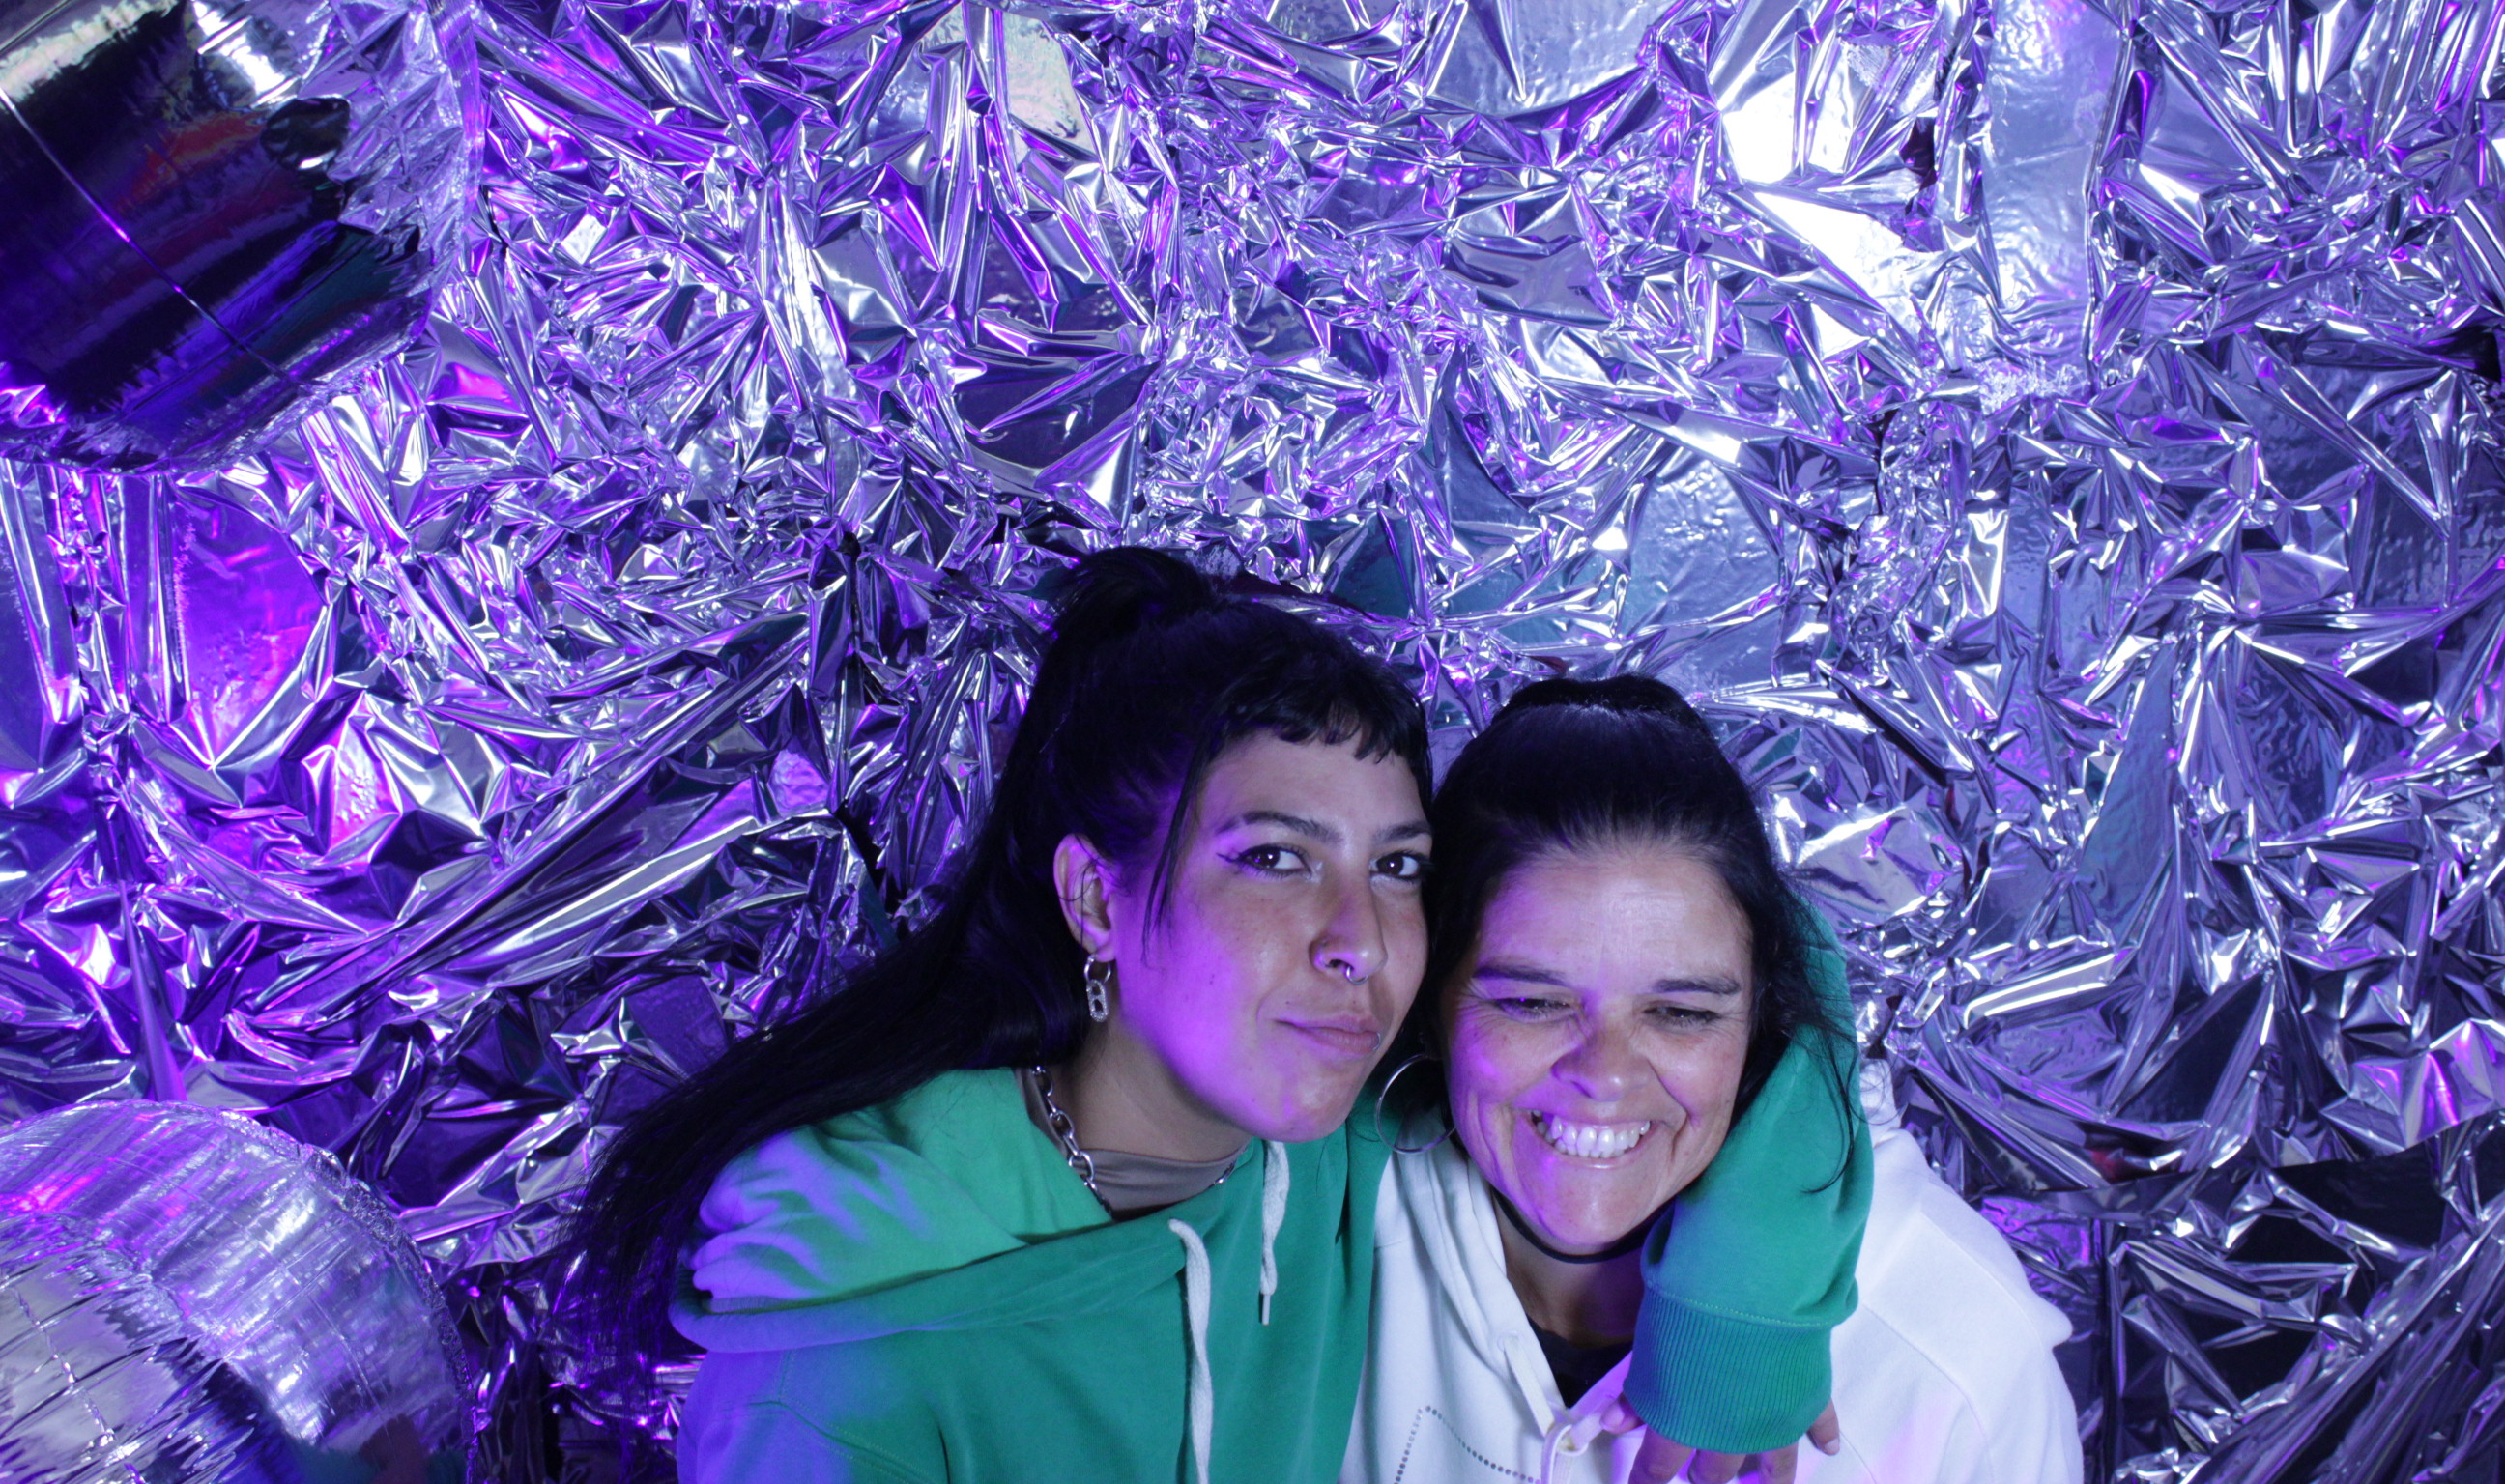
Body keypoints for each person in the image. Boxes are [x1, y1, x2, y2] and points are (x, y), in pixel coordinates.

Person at [566, 551, 1870, 1483]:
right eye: (1275, 858)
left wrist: (1742, 1312)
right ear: (1095, 897)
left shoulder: (1326, 1135)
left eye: (1397, 866)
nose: (1358, 938)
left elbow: (1723, 946)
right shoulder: (849, 1363)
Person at [1345, 677, 2082, 1484]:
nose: (1605, 1075)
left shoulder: (1959, 1354)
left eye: (1681, 1013)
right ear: (1430, 1002)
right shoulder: (1313, 1227)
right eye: (1532, 1002)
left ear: (1763, 1020)